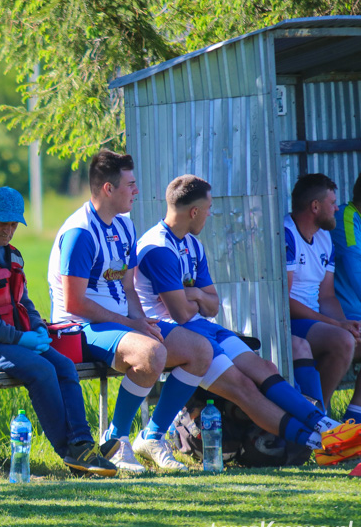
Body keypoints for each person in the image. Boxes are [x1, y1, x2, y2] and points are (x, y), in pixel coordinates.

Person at [134, 174, 361, 466]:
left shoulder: (192, 244)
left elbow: (212, 302)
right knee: (244, 388)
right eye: (209, 208)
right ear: (194, 212)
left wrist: (190, 294)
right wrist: (197, 297)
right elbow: (181, 313)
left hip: (202, 327)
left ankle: (326, 426)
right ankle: (318, 442)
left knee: (263, 367)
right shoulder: (158, 248)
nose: (210, 213)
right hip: (177, 334)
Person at [48, 149, 214, 473]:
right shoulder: (80, 233)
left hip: (120, 322)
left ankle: (152, 436)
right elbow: (74, 303)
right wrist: (131, 325)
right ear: (108, 189)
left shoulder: (124, 225)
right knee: (151, 354)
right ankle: (116, 441)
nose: (136, 191)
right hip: (80, 327)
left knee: (200, 351)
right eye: (131, 184)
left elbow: (127, 287)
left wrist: (141, 320)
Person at [0, 187, 117, 477]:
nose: (8, 230)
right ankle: (70, 453)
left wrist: (37, 328)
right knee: (41, 369)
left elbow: (23, 302)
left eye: (13, 224)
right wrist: (19, 338)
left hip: (12, 342)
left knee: (64, 366)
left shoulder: (13, 256)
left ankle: (82, 444)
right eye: (2, 223)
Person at [285, 173, 360, 413]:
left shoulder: (324, 237)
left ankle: (354, 418)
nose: (337, 208)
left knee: (352, 334)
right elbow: (284, 303)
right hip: (291, 323)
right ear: (315, 206)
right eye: (332, 203)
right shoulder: (286, 235)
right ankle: (319, 417)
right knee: (343, 341)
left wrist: (345, 322)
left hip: (315, 321)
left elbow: (326, 296)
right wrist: (335, 326)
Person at [330, 172, 361, 424]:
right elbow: (354, 270)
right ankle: (352, 421)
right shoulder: (346, 218)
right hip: (343, 315)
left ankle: (354, 418)